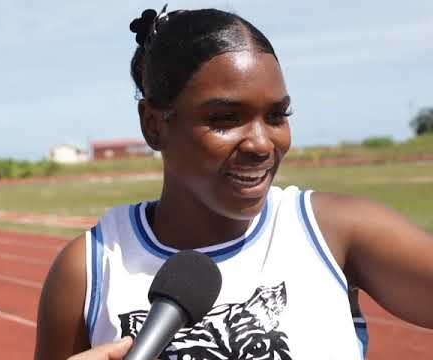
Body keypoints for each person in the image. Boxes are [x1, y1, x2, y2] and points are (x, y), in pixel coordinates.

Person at [34, 5, 433, 360]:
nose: (262, 144)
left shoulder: (338, 232)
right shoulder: (88, 268)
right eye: (225, 118)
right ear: (153, 124)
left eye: (277, 115)